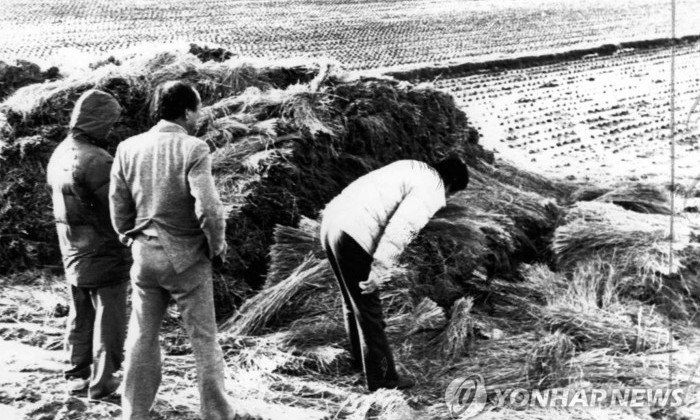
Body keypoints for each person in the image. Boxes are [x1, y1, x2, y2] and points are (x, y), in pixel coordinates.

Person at [109, 81, 234, 420]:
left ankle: (134, 412)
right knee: (204, 340)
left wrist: (126, 235)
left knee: (142, 336)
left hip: (143, 257)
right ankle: (217, 414)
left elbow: (118, 202)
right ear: (187, 111)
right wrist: (216, 246)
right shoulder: (194, 148)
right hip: (186, 260)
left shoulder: (128, 147)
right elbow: (209, 209)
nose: (200, 116)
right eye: (198, 109)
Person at [320, 156, 469, 391]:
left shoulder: (410, 167)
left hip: (331, 224)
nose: (447, 199)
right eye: (451, 194)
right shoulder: (433, 187)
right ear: (450, 183)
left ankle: (362, 365)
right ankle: (384, 381)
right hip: (353, 233)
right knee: (369, 310)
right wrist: (380, 266)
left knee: (353, 304)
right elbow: (404, 225)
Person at [46, 89, 129, 399]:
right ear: (97, 121)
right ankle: (104, 380)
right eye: (109, 121)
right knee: (111, 317)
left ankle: (76, 375)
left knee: (80, 313)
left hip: (71, 247)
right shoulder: (97, 159)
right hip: (103, 250)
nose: (111, 127)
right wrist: (128, 239)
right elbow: (116, 210)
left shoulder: (59, 153)